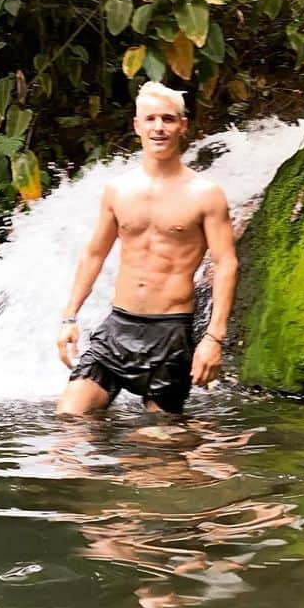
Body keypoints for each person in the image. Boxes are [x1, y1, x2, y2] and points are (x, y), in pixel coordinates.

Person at [56, 80, 238, 416]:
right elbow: (94, 253)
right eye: (150, 119)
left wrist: (214, 337)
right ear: (137, 126)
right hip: (116, 327)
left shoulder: (205, 194)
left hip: (169, 335)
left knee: (157, 452)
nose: (159, 127)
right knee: (70, 422)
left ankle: (198, 452)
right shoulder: (118, 189)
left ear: (182, 126)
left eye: (168, 119)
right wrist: (69, 317)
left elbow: (226, 264)